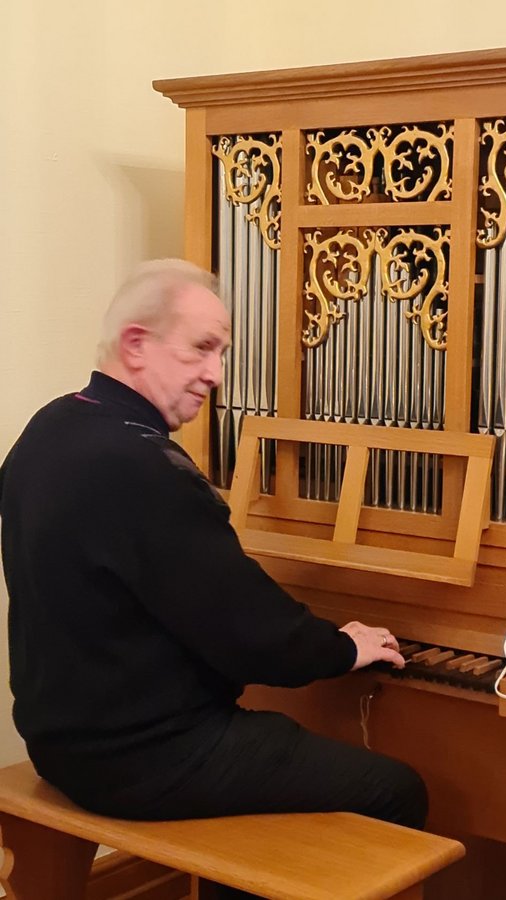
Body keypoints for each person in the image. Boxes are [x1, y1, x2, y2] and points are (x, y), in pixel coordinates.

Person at [0, 259, 427, 898]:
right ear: (136, 345)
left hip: (57, 738)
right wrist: (343, 647)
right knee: (397, 790)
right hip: (147, 756)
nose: (216, 374)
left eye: (221, 352)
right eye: (201, 348)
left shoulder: (51, 427)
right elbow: (252, 635)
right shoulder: (142, 466)